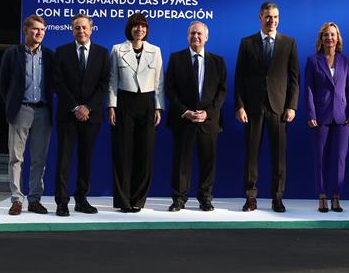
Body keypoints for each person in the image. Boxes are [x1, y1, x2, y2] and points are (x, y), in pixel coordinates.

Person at [235, 1, 300, 213]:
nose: (272, 21)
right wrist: (240, 106)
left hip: (279, 109)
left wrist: (292, 106)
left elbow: (294, 80)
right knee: (251, 155)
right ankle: (250, 197)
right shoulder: (247, 43)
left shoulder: (289, 43)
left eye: (275, 17)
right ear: (260, 17)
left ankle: (277, 197)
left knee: (279, 156)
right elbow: (239, 78)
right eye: (268, 17)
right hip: (252, 109)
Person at [165, 21, 227, 212]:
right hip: (184, 120)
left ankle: (205, 198)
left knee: (208, 161)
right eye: (192, 33)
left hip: (209, 121)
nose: (196, 37)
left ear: (206, 37)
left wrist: (208, 112)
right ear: (187, 36)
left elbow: (222, 91)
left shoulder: (218, 61)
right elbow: (170, 89)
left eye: (199, 34)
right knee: (181, 161)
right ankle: (179, 199)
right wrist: (185, 111)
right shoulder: (176, 59)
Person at [54, 14, 110, 217]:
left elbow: (104, 84)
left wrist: (88, 107)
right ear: (72, 30)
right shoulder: (61, 52)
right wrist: (76, 108)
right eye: (77, 28)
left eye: (84, 27)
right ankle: (62, 202)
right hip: (68, 115)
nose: (81, 31)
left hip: (91, 116)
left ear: (91, 29)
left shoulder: (103, 53)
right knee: (64, 160)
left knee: (85, 159)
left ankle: (81, 199)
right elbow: (58, 83)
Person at [108, 13, 164, 213]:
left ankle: (138, 200)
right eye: (136, 26)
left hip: (147, 103)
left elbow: (159, 82)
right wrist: (111, 106)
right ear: (129, 28)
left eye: (143, 27)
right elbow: (112, 80)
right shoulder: (117, 49)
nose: (139, 30)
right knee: (123, 153)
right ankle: (123, 201)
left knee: (145, 153)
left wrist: (158, 107)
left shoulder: (155, 51)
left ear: (147, 30)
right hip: (124, 102)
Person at [0, 15, 54, 215]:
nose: (39, 33)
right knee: (16, 158)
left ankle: (34, 199)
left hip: (43, 111)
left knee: (39, 159)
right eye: (35, 29)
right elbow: (3, 83)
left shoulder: (49, 55)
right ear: (25, 30)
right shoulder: (12, 54)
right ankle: (16, 200)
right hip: (20, 110)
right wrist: (13, 104)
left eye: (42, 30)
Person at [305, 22, 349, 213]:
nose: (330, 38)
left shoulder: (346, 61)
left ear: (338, 38)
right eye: (326, 35)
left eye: (333, 35)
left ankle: (336, 196)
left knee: (339, 158)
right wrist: (310, 113)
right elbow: (308, 89)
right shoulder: (312, 61)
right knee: (321, 158)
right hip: (320, 116)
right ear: (321, 39)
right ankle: (322, 196)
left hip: (343, 117)